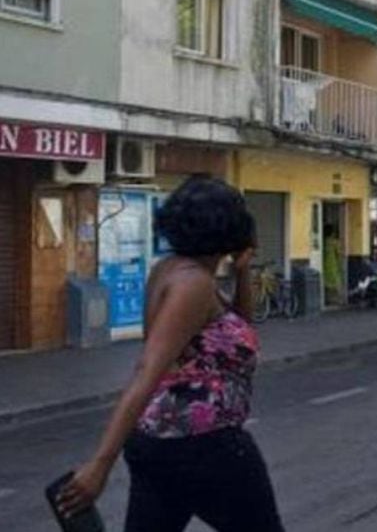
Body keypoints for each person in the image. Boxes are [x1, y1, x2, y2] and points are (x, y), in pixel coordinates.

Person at [56, 176, 284, 531]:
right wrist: (100, 464)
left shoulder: (173, 271)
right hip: (205, 443)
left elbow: (239, 329)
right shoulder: (194, 283)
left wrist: (241, 272)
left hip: (157, 443)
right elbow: (148, 369)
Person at [322, 223, 343, 306]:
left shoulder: (323, 241)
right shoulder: (334, 242)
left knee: (326, 283)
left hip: (324, 263)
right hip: (333, 263)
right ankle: (337, 300)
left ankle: (327, 299)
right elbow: (338, 253)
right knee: (336, 282)